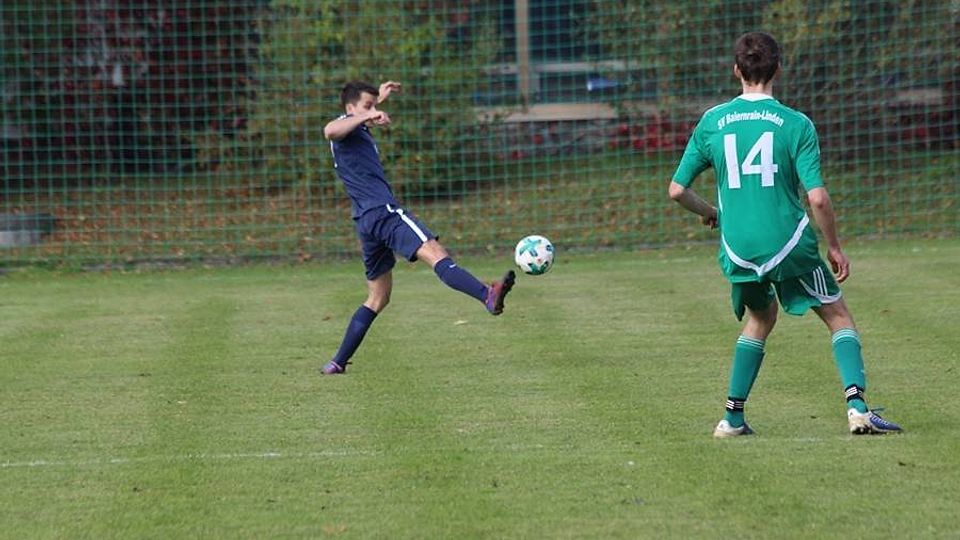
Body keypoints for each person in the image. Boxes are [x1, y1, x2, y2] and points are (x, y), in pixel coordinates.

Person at [668, 32, 902, 436]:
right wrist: (834, 247)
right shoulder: (795, 124)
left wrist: (711, 213)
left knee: (761, 317)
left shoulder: (712, 122)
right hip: (788, 244)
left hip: (738, 248)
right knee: (837, 314)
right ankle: (858, 409)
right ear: (778, 69)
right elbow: (818, 198)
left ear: (736, 70)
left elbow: (676, 190)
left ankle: (732, 418)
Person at [320, 80, 515, 375]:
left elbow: (356, 119)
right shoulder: (343, 127)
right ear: (349, 108)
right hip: (384, 212)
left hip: (365, 220)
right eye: (367, 106)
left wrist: (376, 102)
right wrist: (368, 113)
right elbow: (330, 129)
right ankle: (486, 295)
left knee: (378, 297)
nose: (374, 111)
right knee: (435, 253)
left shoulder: (357, 128)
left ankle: (337, 362)